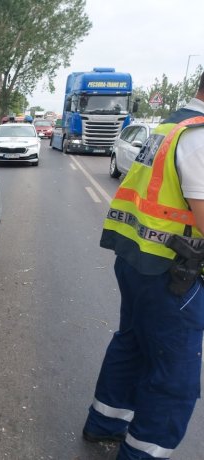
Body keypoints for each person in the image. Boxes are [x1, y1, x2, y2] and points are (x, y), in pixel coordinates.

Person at [83, 72, 204, 459]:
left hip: (138, 260)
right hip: (174, 275)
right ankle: (142, 453)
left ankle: (105, 423)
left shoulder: (170, 126)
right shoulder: (198, 137)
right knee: (174, 377)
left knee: (132, 345)